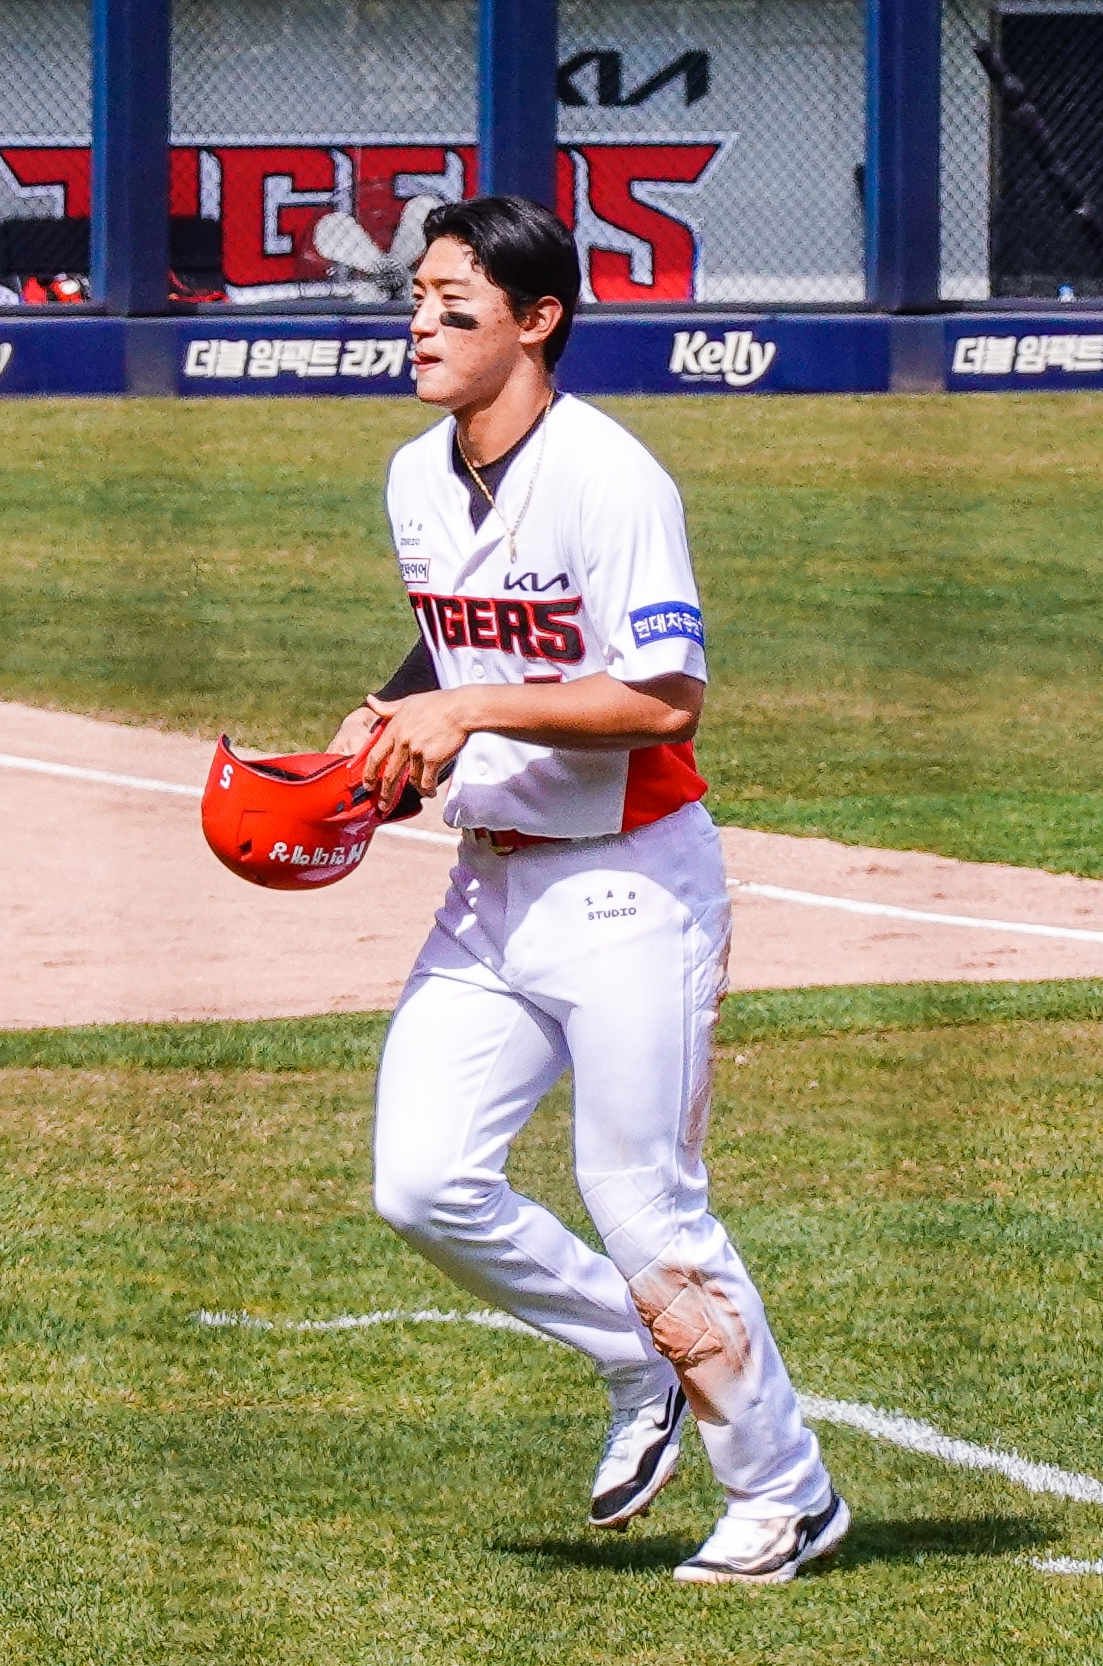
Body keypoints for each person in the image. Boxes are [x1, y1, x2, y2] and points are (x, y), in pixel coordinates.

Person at [332, 195, 848, 1585]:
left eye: (454, 304)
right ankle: (637, 1354)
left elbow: (664, 698)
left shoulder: (612, 477)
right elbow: (461, 643)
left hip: (631, 888)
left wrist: (467, 709)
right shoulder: (416, 476)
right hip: (488, 890)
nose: (421, 324)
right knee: (421, 1181)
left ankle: (784, 1495)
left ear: (537, 321)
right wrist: (381, 720)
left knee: (644, 1202)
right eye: (416, 297)